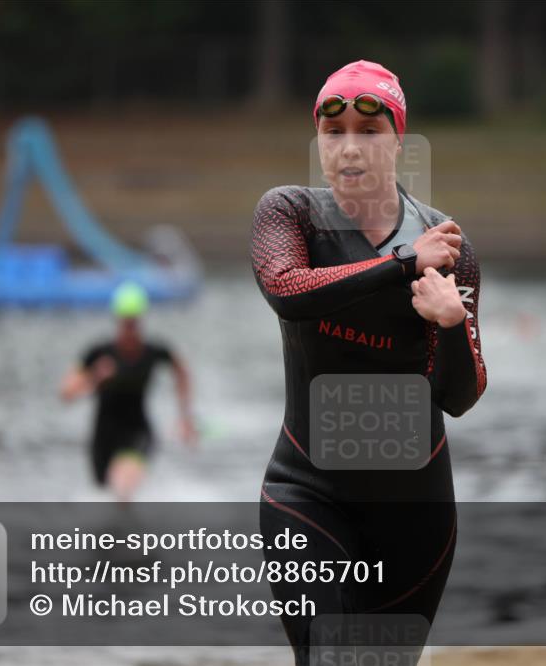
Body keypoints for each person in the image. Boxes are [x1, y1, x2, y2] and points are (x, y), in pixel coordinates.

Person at [251, 60, 487, 665]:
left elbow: (458, 396)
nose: (349, 149)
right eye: (334, 134)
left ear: (398, 140)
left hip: (414, 514)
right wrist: (404, 264)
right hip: (306, 490)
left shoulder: (449, 248)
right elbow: (287, 289)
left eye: (369, 131)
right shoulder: (289, 213)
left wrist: (452, 325)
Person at [60, 281, 197, 502]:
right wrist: (95, 376)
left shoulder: (154, 351)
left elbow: (182, 372)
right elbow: (66, 392)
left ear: (141, 321)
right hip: (103, 437)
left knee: (123, 487)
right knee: (106, 495)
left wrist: (185, 419)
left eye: (134, 323)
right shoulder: (98, 354)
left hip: (138, 432)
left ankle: (131, 535)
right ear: (117, 321)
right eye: (126, 323)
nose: (130, 329)